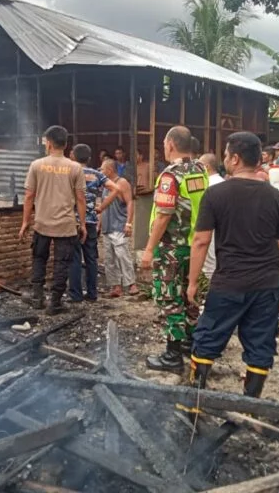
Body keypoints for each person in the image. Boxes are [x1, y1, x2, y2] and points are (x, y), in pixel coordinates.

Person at [187, 132, 279, 397]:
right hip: (267, 284)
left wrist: (191, 282)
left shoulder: (216, 194)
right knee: (260, 344)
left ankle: (193, 403)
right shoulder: (276, 197)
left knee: (207, 338)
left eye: (225, 155)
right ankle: (251, 407)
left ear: (234, 158)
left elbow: (200, 241)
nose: (224, 160)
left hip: (229, 283)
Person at [140, 126, 208, 372]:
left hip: (172, 248)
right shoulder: (200, 169)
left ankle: (172, 357)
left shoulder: (171, 176)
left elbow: (163, 215)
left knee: (170, 298)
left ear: (170, 144)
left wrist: (149, 249)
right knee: (189, 295)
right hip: (195, 246)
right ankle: (191, 342)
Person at [20, 126, 87, 315]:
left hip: (41, 223)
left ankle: (37, 297)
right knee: (61, 263)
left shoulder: (36, 165)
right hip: (65, 225)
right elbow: (81, 199)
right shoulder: (75, 168)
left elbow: (28, 196)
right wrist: (82, 224)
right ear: (66, 144)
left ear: (48, 143)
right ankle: (55, 302)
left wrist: (26, 222)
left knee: (39, 259)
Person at [68, 144, 119, 303]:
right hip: (90, 221)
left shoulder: (70, 173)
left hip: (72, 222)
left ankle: (75, 295)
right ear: (89, 158)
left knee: (74, 258)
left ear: (73, 157)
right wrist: (101, 207)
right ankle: (92, 294)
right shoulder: (97, 174)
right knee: (91, 258)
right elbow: (115, 189)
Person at [99, 158, 139, 297]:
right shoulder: (105, 185)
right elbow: (103, 206)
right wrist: (100, 224)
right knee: (109, 259)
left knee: (123, 255)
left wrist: (128, 223)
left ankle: (131, 284)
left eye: (103, 169)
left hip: (118, 225)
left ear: (110, 170)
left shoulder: (121, 183)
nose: (101, 171)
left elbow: (129, 203)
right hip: (107, 226)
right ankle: (116, 287)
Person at [198, 153, 225, 280]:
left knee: (210, 260)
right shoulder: (222, 182)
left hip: (210, 226)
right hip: (223, 228)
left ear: (206, 167)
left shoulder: (208, 184)